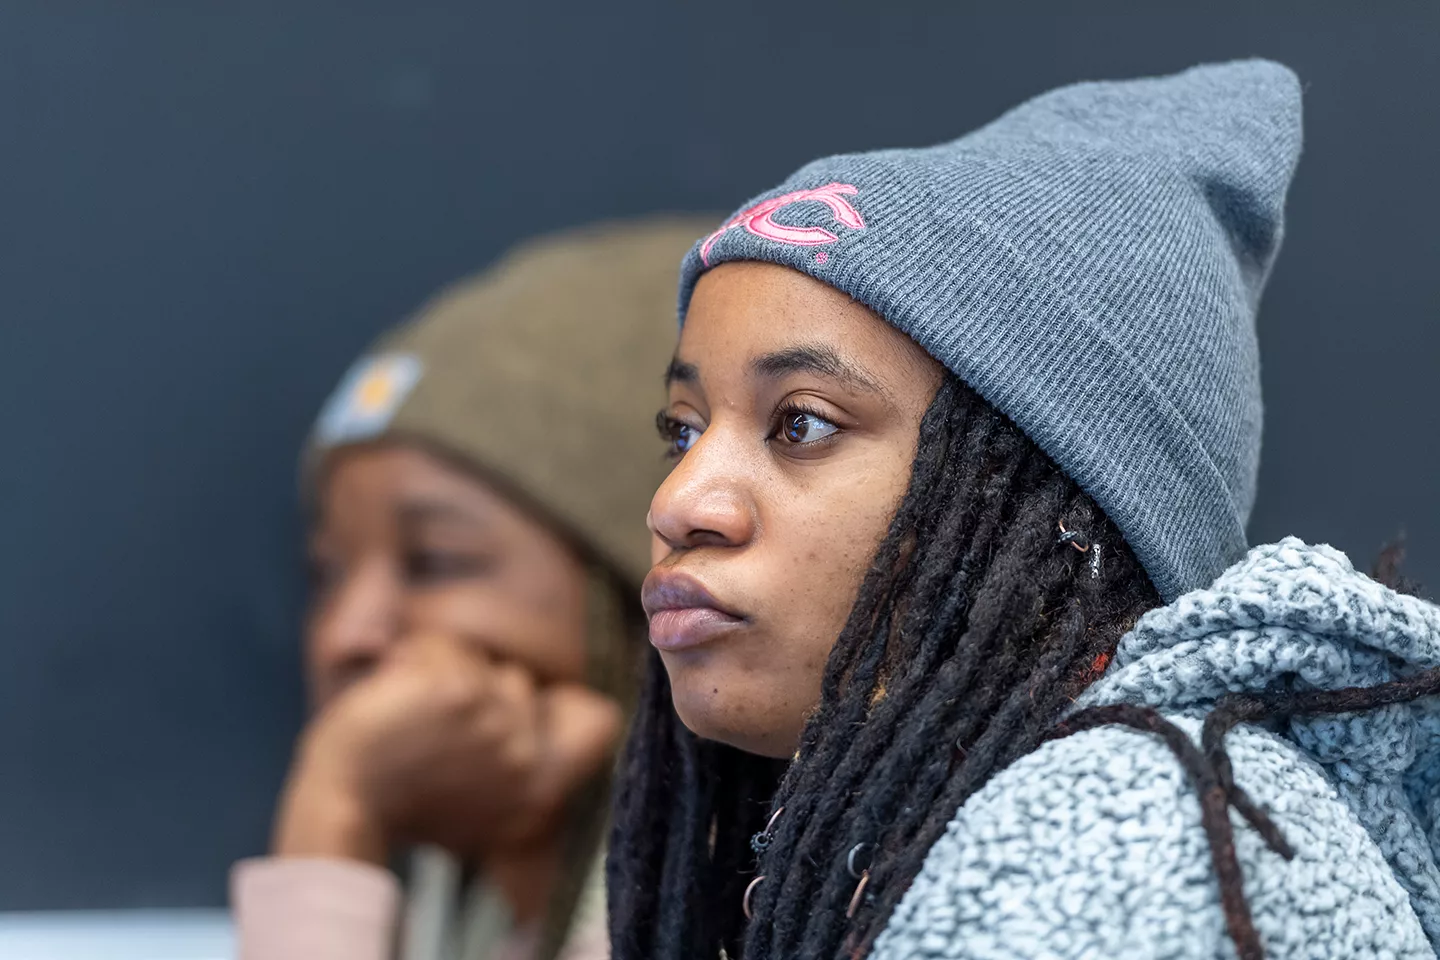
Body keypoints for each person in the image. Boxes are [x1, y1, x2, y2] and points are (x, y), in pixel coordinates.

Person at [608, 62, 1440, 960]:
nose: (678, 503)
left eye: (801, 423)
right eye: (683, 432)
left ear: (1060, 506)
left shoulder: (1110, 857)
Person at [231, 217, 712, 960]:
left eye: (437, 559)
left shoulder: (749, 907)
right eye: (327, 573)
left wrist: (336, 814)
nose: (343, 634)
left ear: (643, 581)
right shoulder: (459, 902)